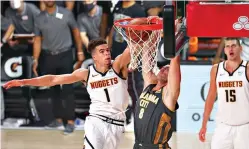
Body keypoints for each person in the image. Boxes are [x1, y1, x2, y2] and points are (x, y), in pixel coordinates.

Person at [4, 38, 132, 149]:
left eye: (108, 50)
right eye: (102, 51)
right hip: (96, 120)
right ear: (94, 57)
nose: (107, 54)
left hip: (117, 123)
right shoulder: (86, 73)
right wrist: (23, 81)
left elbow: (131, 49)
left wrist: (147, 29)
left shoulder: (117, 65)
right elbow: (53, 79)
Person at [33, 0, 84, 134]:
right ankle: (59, 119)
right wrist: (35, 59)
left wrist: (80, 51)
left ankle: (71, 121)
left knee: (67, 89)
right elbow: (37, 39)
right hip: (48, 57)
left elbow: (76, 31)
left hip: (65, 55)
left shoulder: (66, 13)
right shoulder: (39, 18)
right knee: (53, 90)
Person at [199, 38, 249, 149]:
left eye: (234, 46)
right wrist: (204, 125)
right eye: (227, 46)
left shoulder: (247, 68)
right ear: (224, 50)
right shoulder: (216, 69)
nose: (230, 49)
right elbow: (211, 97)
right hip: (223, 126)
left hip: (245, 127)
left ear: (240, 48)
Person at [133, 54, 181, 149]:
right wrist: (148, 42)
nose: (163, 69)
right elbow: (146, 63)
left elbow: (175, 65)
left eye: (168, 70)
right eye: (163, 68)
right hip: (138, 145)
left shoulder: (168, 95)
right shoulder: (149, 87)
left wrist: (174, 52)